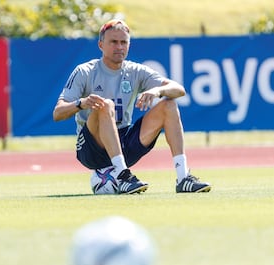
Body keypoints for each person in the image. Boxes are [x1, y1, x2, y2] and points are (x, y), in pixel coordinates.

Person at [53, 19, 211, 194]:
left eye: (123, 42)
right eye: (113, 42)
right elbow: (58, 113)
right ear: (100, 45)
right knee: (106, 105)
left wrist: (157, 91)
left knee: (169, 104)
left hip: (123, 143)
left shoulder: (135, 71)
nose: (119, 47)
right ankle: (122, 175)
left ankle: (183, 178)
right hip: (91, 149)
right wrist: (81, 103)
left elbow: (179, 89)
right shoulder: (85, 71)